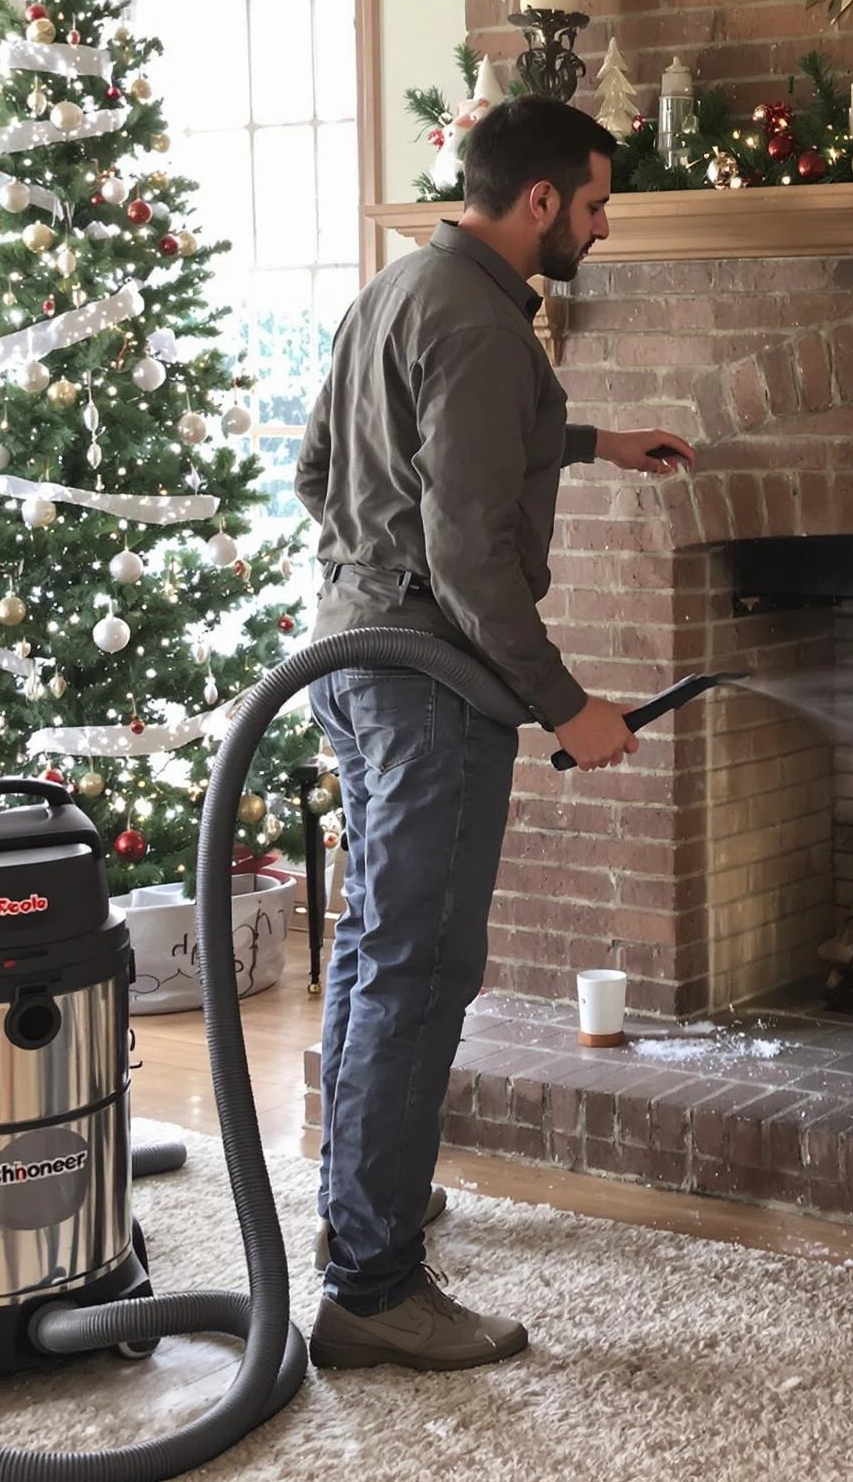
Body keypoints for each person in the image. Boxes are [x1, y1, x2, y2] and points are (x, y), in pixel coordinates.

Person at [293, 94, 695, 1371]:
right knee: (417, 969)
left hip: (351, 658)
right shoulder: (478, 321)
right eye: (592, 203)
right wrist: (563, 702)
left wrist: (584, 442)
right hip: (430, 682)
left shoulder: (398, 290)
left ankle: (375, 1200)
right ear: (536, 204)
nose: (600, 223)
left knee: (374, 947)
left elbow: (330, 469)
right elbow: (466, 548)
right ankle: (370, 1282)